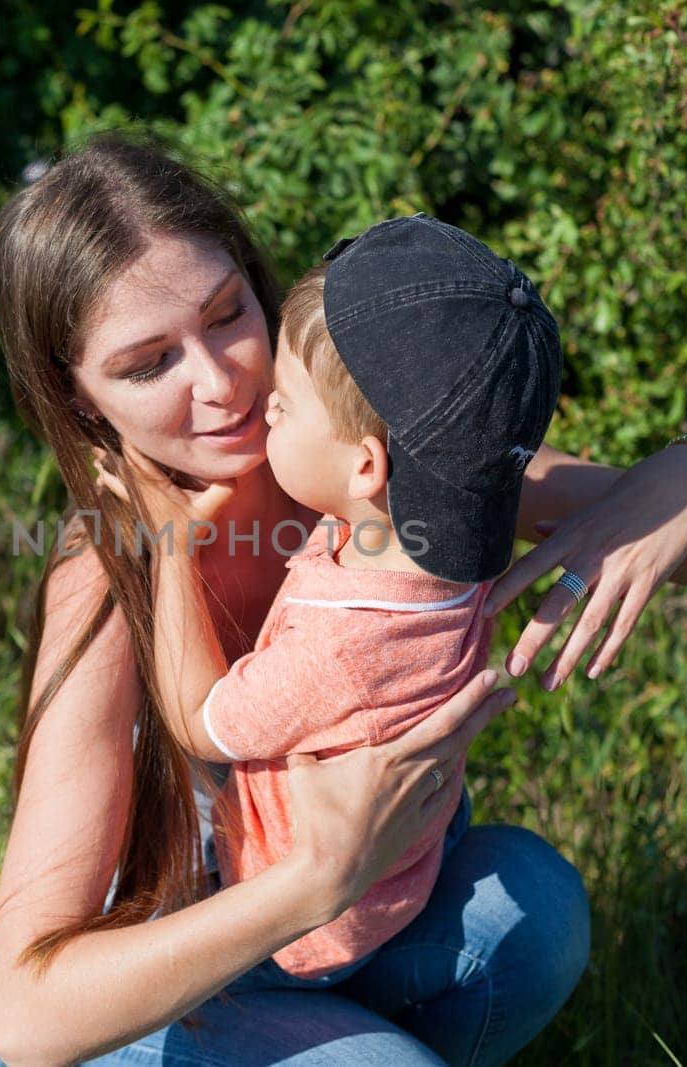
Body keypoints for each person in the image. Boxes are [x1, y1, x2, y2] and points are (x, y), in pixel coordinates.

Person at [0, 134, 687, 1067]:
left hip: (331, 945)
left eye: (228, 313)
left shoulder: (375, 472)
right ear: (79, 403)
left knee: (537, 914)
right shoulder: (106, 582)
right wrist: (318, 876)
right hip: (147, 1007)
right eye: (148, 365)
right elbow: (29, 1019)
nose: (222, 379)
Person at [98, 214, 564, 984]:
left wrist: (172, 545)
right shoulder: (460, 539)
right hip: (404, 872)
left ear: (366, 466)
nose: (261, 405)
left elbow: (199, 720)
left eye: (283, 401)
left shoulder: (341, 649)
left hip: (302, 925)